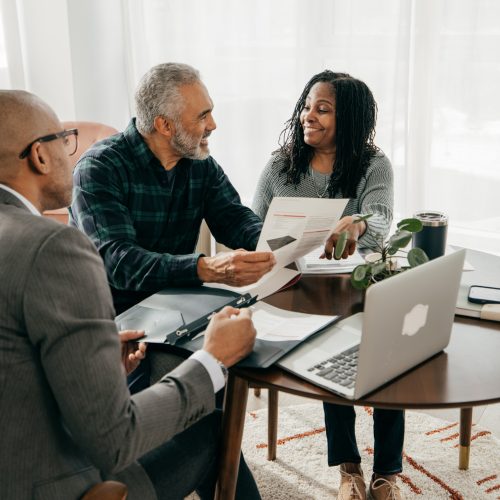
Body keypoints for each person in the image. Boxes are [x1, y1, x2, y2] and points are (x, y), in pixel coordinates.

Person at [0, 90, 261, 499]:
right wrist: (213, 359)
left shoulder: (200, 165)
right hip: (51, 481)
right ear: (39, 155)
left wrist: (91, 363)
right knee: (212, 427)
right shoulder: (54, 247)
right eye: (64, 139)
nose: (72, 152)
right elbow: (115, 439)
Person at [252, 71, 402, 500]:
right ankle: (349, 466)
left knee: (391, 354)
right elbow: (250, 224)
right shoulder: (281, 165)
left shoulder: (374, 165)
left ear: (349, 119)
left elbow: (379, 221)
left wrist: (358, 222)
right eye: (307, 106)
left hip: (359, 286)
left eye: (322, 109)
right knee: (329, 343)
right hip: (296, 288)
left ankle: (387, 474)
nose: (308, 117)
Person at [69, 62, 275, 315]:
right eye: (202, 116)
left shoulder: (200, 163)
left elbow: (233, 218)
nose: (213, 124)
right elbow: (119, 262)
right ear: (164, 126)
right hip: (109, 316)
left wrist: (275, 242)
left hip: (172, 306)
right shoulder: (99, 168)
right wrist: (205, 268)